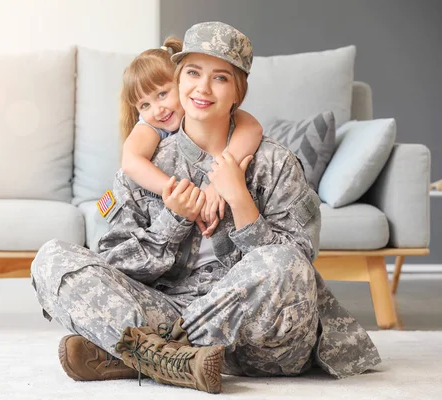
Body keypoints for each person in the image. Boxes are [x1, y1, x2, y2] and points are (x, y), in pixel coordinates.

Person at [31, 21, 381, 394]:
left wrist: (240, 201)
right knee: (51, 258)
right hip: (170, 307)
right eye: (193, 73)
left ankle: (140, 353)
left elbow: (296, 268)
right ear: (179, 81)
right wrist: (172, 221)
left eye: (220, 78)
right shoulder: (144, 166)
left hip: (259, 339)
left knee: (284, 262)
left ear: (237, 93)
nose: (202, 87)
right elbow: (115, 263)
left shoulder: (275, 162)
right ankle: (174, 359)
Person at [119, 36, 263, 237]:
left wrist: (220, 182)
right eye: (145, 105)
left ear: (180, 83)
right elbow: (130, 162)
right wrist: (184, 196)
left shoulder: (204, 107)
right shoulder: (149, 127)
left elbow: (252, 128)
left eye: (162, 94)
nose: (157, 110)